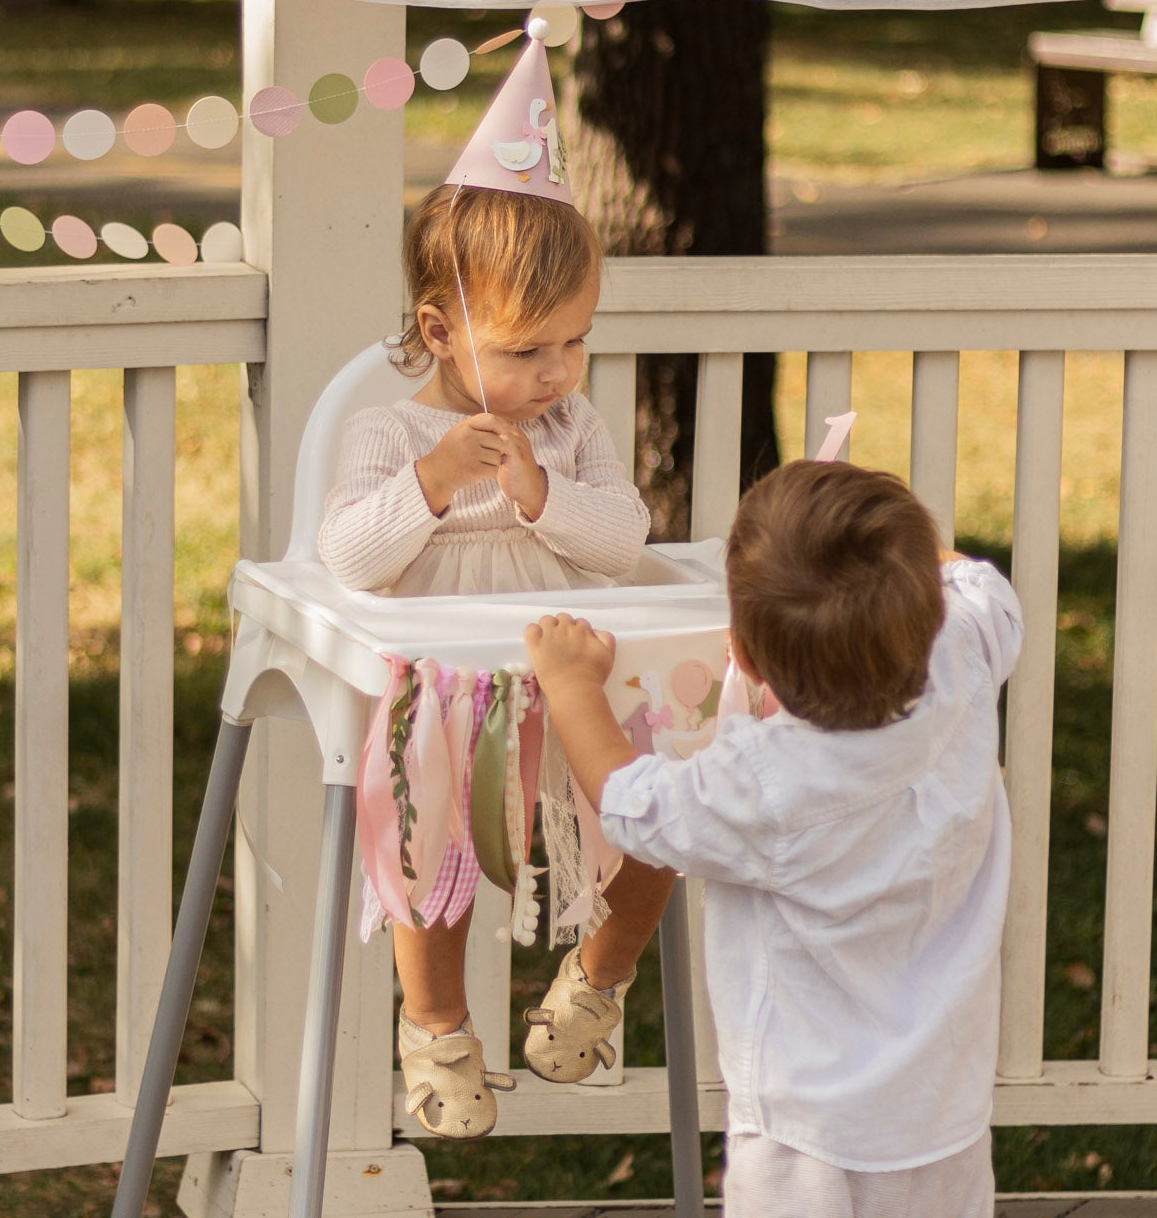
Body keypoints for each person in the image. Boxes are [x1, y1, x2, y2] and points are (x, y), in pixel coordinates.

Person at [526, 458, 1023, 1217]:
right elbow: (980, 584)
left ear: (745, 658)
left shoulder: (767, 782)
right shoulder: (963, 653)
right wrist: (901, 561)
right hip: (944, 1114)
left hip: (806, 1134)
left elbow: (631, 805)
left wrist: (572, 688)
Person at [320, 172, 669, 1141]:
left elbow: (622, 537)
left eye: (574, 338)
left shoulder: (569, 430)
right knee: (435, 850)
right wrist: (430, 483)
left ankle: (595, 982)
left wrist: (540, 490)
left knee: (661, 809)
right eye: (527, 347)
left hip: (569, 692)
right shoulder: (386, 433)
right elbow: (347, 553)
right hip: (450, 702)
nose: (557, 369)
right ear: (438, 331)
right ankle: (434, 1025)